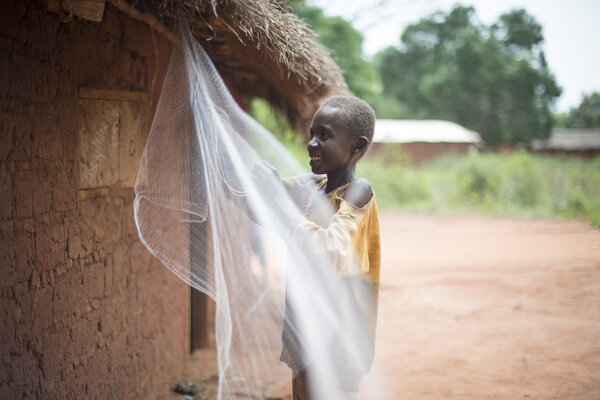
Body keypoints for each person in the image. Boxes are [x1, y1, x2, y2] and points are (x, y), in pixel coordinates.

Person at [257, 96, 381, 400]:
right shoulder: (314, 188)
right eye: (311, 134)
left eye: (324, 136)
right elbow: (266, 199)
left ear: (357, 147)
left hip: (340, 342)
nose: (311, 143)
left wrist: (278, 204)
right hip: (307, 335)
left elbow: (332, 252)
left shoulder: (358, 192)